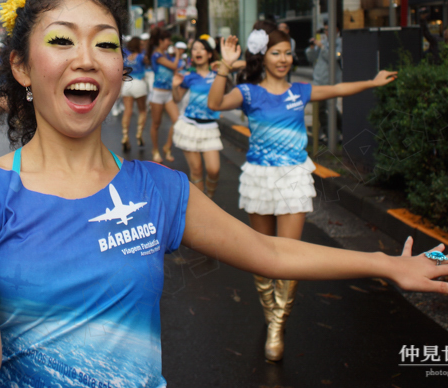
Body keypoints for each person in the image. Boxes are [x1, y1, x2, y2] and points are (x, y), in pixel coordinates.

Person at [0, 0, 448, 388]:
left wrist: (385, 265)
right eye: (61, 41)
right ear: (23, 68)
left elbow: (273, 252)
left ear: (120, 72)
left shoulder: (158, 191)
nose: (87, 57)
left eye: (106, 44)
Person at [206, 23, 400, 362]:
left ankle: (277, 325)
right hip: (259, 178)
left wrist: (371, 82)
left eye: (287, 53)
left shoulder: (301, 90)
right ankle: (270, 313)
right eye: (275, 53)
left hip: (294, 176)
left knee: (290, 256)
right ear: (262, 56)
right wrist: (225, 65)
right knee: (261, 256)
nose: (283, 59)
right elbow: (215, 103)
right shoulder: (249, 93)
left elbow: (338, 88)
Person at [171, 38, 223, 198]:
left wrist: (223, 65)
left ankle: (210, 198)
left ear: (208, 54)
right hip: (190, 127)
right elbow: (177, 99)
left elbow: (243, 66)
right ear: (191, 55)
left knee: (214, 170)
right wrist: (174, 86)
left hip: (210, 128)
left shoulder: (219, 74)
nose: (198, 52)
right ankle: (204, 209)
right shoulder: (188, 77)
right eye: (194, 49)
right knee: (197, 171)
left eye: (201, 49)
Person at [147, 26, 183, 162]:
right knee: (156, 124)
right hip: (157, 94)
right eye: (168, 40)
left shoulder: (165, 55)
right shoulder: (156, 55)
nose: (170, 43)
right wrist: (178, 54)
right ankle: (155, 150)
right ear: (161, 41)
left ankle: (167, 146)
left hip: (168, 94)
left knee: (177, 121)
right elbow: (174, 66)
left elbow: (174, 69)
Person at [306, 22, 342, 141]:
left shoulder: (339, 42)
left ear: (336, 29)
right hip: (319, 80)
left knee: (331, 107)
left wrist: (322, 47)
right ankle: (329, 134)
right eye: (325, 30)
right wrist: (312, 48)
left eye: (328, 29)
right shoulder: (324, 43)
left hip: (331, 81)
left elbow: (334, 57)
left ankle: (340, 132)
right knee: (320, 109)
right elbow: (311, 58)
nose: (326, 32)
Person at [120, 36, 149, 152]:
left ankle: (125, 136)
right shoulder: (141, 56)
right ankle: (139, 133)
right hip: (139, 84)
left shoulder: (126, 58)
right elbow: (149, 62)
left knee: (127, 111)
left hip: (127, 84)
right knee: (142, 110)